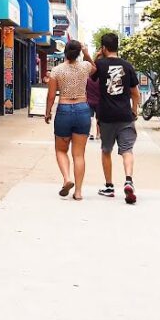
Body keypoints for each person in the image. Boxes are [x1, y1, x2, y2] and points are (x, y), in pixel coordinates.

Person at [91, 33, 140, 204]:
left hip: (106, 116)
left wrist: (97, 57)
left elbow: (91, 75)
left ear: (103, 48)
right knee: (127, 150)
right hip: (125, 115)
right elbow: (135, 93)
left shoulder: (100, 64)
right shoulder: (127, 66)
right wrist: (134, 110)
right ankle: (128, 180)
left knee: (106, 150)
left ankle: (109, 186)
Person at [44, 40, 95, 200]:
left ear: (65, 52)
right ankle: (78, 192)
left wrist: (47, 112)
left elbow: (51, 96)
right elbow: (95, 68)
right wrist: (87, 53)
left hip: (64, 110)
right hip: (82, 109)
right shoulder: (85, 67)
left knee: (61, 150)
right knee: (79, 155)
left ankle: (67, 179)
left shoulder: (56, 71)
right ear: (78, 53)